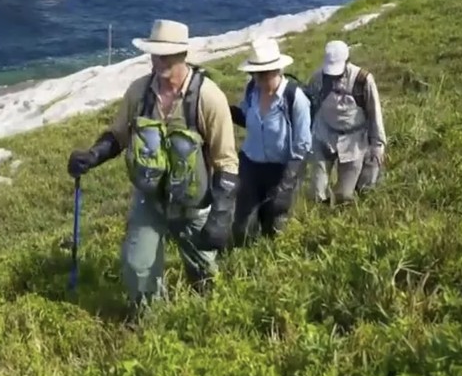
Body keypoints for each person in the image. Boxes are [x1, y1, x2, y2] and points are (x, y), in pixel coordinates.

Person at [66, 19, 239, 310]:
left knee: (205, 273)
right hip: (150, 199)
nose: (159, 61)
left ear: (183, 54)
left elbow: (227, 161)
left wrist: (220, 216)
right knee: (138, 268)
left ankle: (205, 313)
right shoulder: (139, 92)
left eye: (166, 55)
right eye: (155, 54)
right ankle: (152, 319)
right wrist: (93, 155)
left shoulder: (209, 97)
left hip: (193, 202)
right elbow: (119, 135)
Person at [229, 38, 311, 245]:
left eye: (264, 73)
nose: (259, 79)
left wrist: (287, 184)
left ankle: (269, 259)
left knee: (275, 226)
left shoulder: (294, 98)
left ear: (277, 70)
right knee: (242, 227)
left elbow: (302, 145)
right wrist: (225, 109)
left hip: (280, 170)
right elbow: (247, 117)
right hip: (250, 165)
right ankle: (242, 257)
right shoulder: (252, 91)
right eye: (255, 73)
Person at [307, 40, 386, 205]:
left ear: (347, 62)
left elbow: (374, 113)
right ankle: (318, 209)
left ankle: (340, 206)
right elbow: (310, 107)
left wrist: (377, 145)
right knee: (316, 190)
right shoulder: (317, 78)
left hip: (353, 140)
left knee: (344, 195)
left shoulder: (363, 81)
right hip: (324, 134)